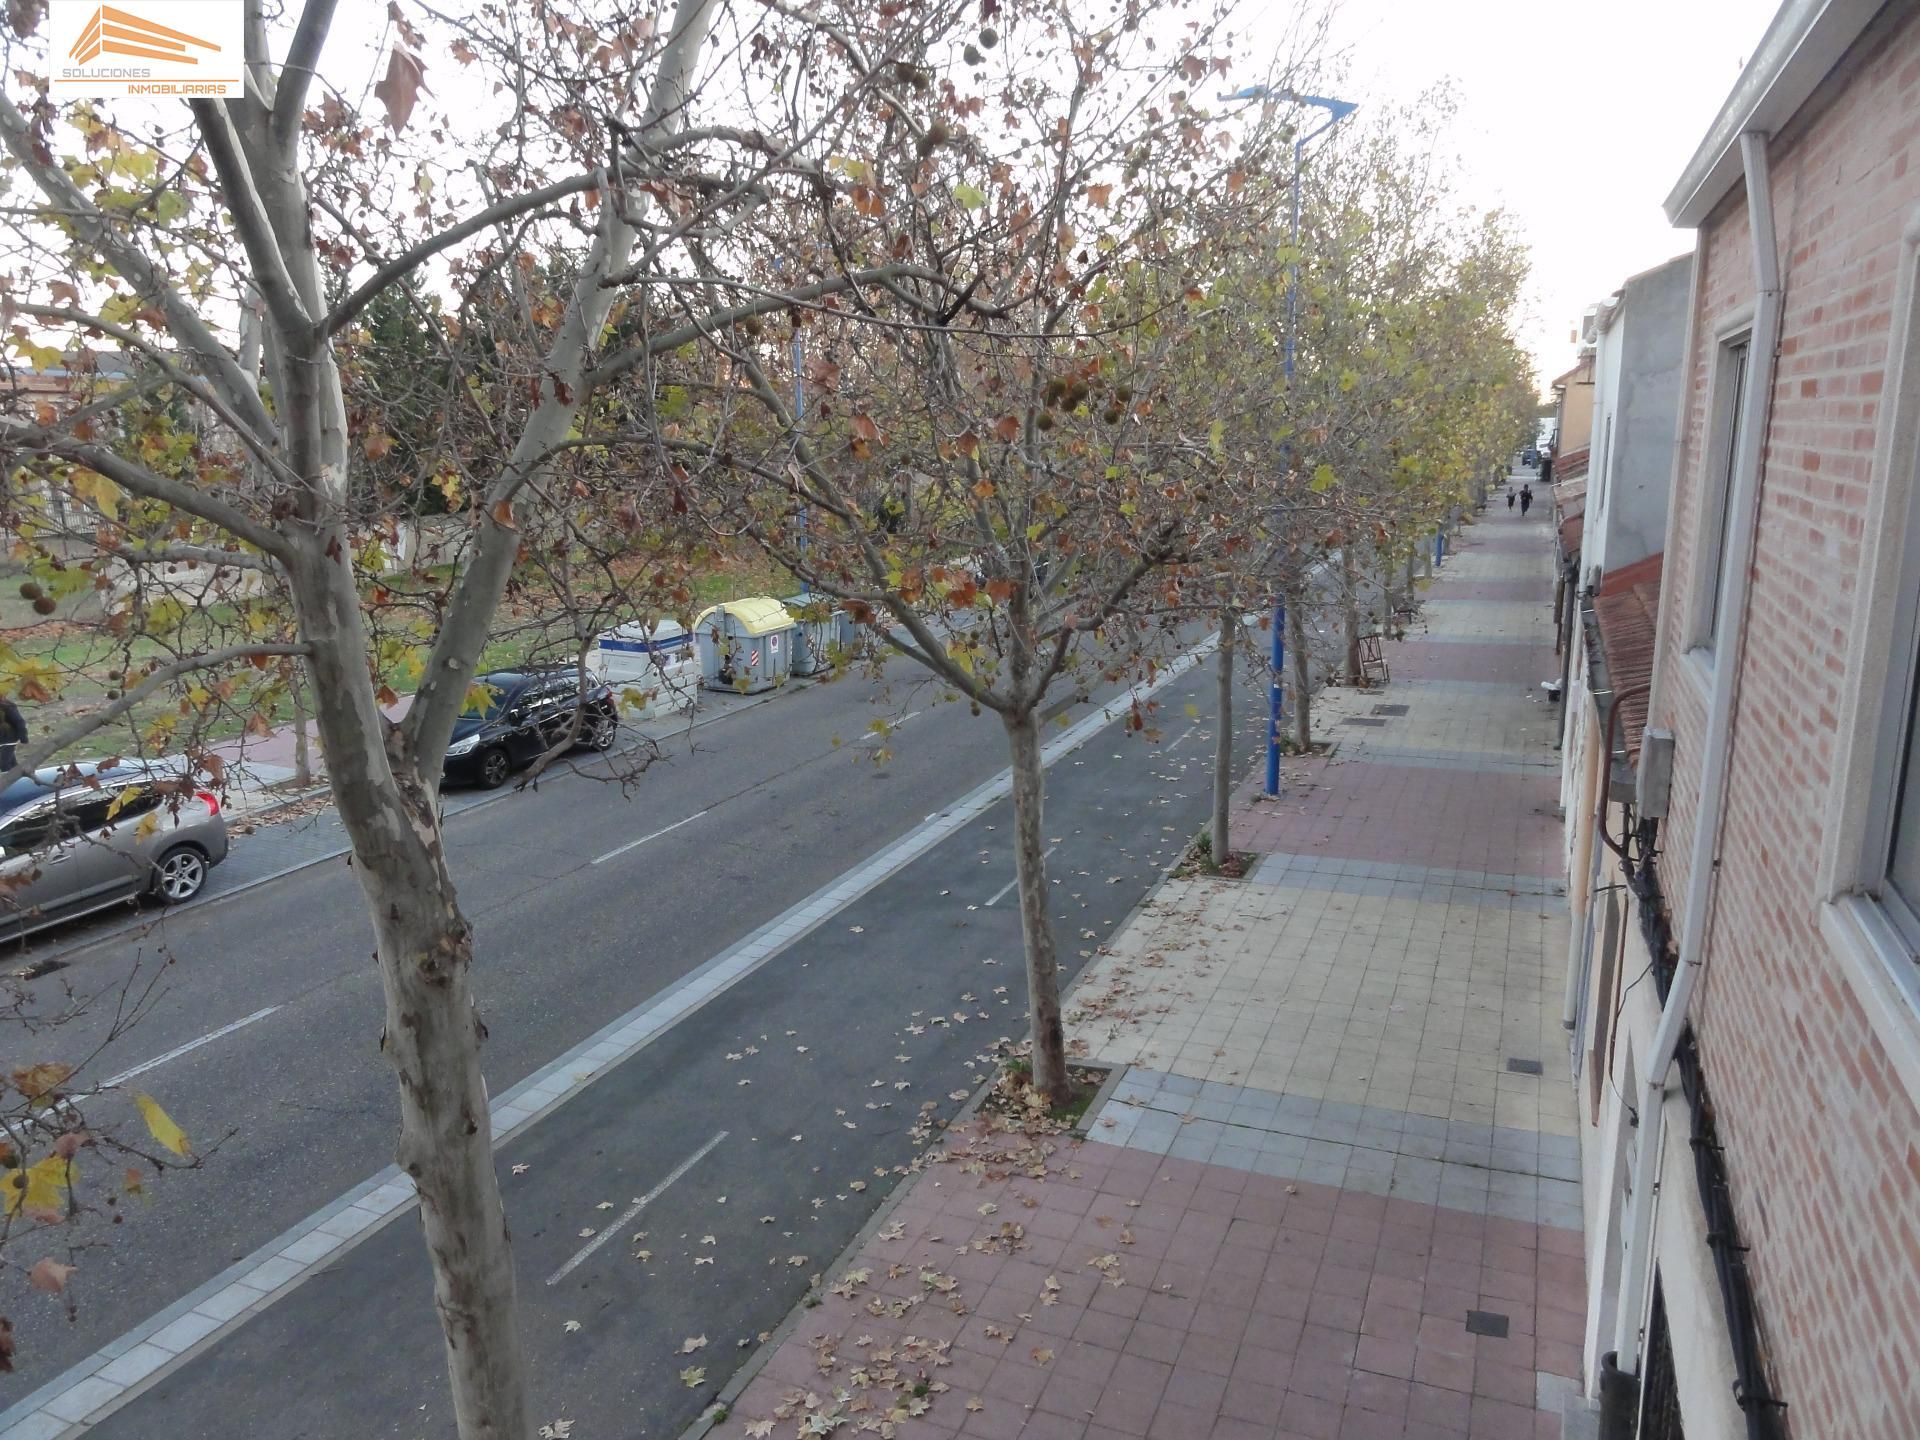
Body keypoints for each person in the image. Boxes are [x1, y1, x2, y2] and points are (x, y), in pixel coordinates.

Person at [0, 694, 26, 773]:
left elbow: (19, 721)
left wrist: (23, 737)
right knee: (12, 763)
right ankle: (22, 777)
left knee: (4, 764)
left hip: (9, 739)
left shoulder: (8, 706)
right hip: (2, 740)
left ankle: (11, 781)